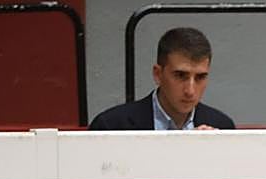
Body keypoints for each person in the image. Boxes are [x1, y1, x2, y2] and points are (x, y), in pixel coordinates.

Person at [89, 27, 235, 131]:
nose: (190, 91)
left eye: (200, 77)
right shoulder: (111, 126)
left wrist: (215, 153)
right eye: (180, 76)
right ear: (158, 74)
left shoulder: (222, 127)